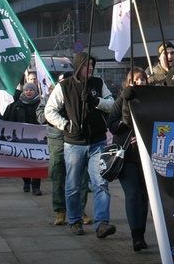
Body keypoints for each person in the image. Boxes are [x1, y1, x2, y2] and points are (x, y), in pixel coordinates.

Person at [44, 52, 116, 238]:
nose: (90, 68)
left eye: (92, 64)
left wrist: (95, 101)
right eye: (86, 65)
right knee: (74, 185)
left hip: (97, 142)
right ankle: (75, 220)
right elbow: (49, 111)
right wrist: (66, 125)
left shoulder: (98, 84)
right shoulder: (64, 86)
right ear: (78, 67)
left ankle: (101, 223)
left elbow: (112, 104)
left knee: (100, 182)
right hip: (74, 144)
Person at [108, 68, 150, 251]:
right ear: (128, 83)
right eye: (135, 80)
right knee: (133, 194)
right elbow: (113, 126)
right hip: (127, 155)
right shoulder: (120, 101)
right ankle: (136, 236)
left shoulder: (151, 99)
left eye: (142, 79)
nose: (140, 82)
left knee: (145, 196)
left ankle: (142, 232)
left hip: (145, 156)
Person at [38, 75, 67, 226]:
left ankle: (79, 209)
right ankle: (60, 209)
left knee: (79, 177)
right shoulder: (49, 97)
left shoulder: (74, 95)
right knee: (57, 174)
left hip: (74, 139)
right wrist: (53, 111)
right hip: (56, 139)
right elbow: (40, 116)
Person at [4, 81, 43, 196]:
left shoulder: (40, 104)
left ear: (35, 91)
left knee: (37, 163)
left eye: (31, 90)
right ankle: (26, 181)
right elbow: (12, 121)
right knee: (24, 162)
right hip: (22, 138)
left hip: (37, 139)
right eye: (26, 90)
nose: (28, 92)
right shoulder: (17, 105)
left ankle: (36, 187)